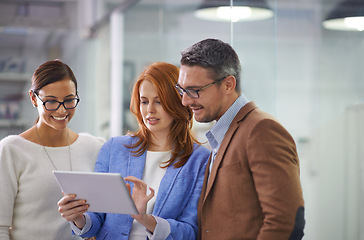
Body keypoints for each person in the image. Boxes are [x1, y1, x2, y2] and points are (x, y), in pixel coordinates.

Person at [57, 61, 210, 240]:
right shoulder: (114, 149)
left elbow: (191, 232)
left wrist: (145, 219)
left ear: (177, 102)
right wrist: (78, 218)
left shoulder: (200, 159)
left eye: (159, 102)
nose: (149, 110)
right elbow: (96, 218)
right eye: (144, 101)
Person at [176, 38, 305, 240]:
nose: (185, 100)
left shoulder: (262, 130)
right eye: (182, 90)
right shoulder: (222, 135)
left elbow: (286, 221)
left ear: (228, 84)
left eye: (195, 91)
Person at [0, 59, 105, 240]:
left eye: (69, 100)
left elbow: (103, 218)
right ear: (34, 99)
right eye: (51, 102)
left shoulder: (95, 146)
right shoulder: (11, 150)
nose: (61, 110)